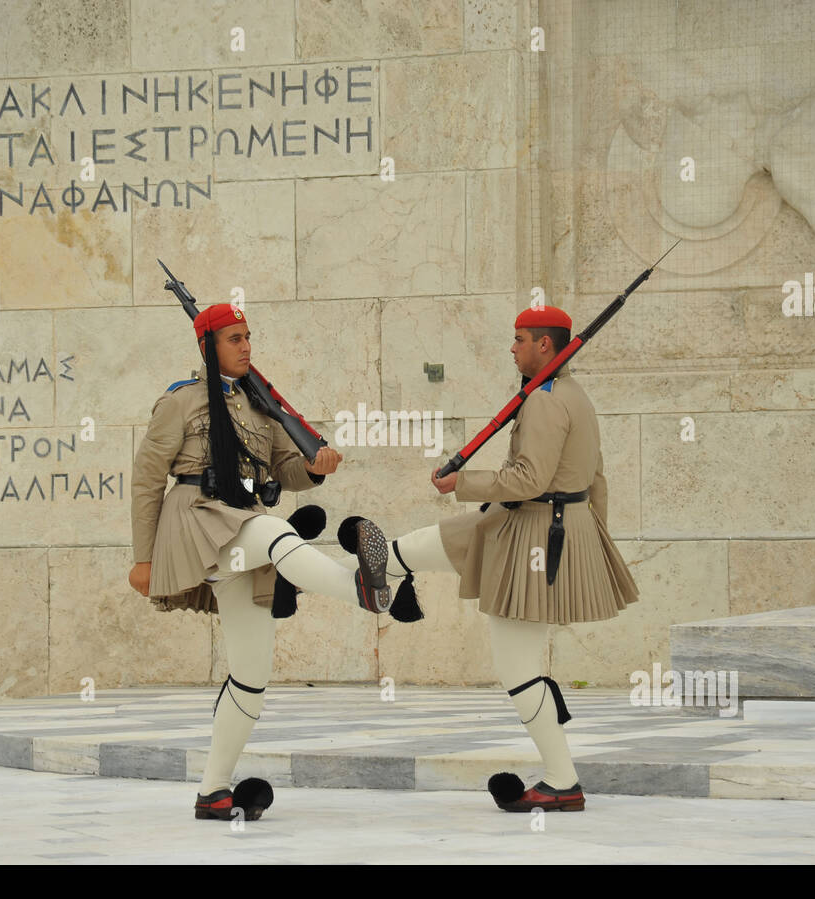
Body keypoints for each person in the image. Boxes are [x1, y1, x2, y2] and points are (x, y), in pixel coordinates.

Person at [338, 305, 640, 811]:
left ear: (546, 345)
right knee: (432, 542)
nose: (513, 347)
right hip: (532, 522)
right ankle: (388, 573)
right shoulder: (574, 396)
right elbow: (597, 478)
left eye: (520, 338)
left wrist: (463, 482)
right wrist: (598, 534)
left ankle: (562, 782)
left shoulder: (545, 401)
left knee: (518, 667)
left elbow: (530, 480)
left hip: (537, 533)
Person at [128, 302, 393, 821]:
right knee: (275, 531)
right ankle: (360, 588)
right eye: (233, 338)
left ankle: (213, 792)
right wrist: (142, 559)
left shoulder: (257, 407)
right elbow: (146, 479)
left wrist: (316, 468)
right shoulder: (179, 402)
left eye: (249, 336)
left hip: (239, 523)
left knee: (251, 673)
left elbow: (284, 471)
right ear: (208, 346)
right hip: (197, 520)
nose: (246, 346)